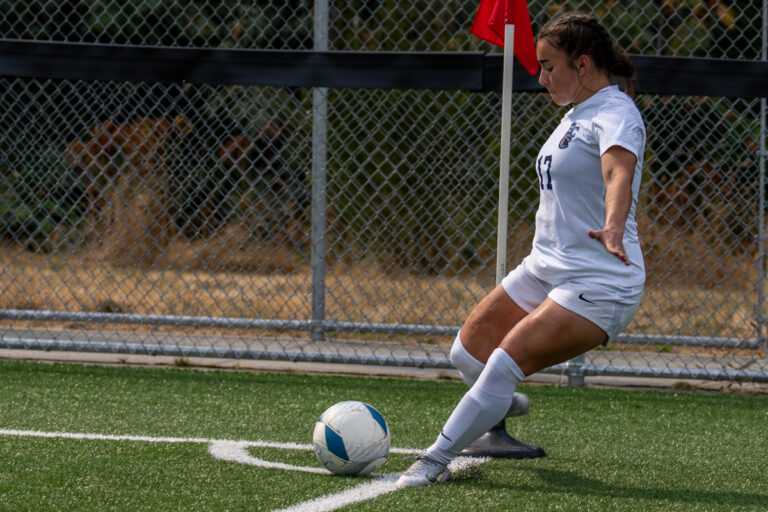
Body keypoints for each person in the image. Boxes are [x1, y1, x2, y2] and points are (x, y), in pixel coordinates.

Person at [397, 11, 646, 487]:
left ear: (584, 64)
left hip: (599, 280)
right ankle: (498, 398)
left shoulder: (616, 113)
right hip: (545, 267)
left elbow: (619, 175)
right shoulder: (575, 113)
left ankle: (432, 462)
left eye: (550, 65)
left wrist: (614, 226)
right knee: (467, 355)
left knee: (502, 364)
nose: (541, 76)